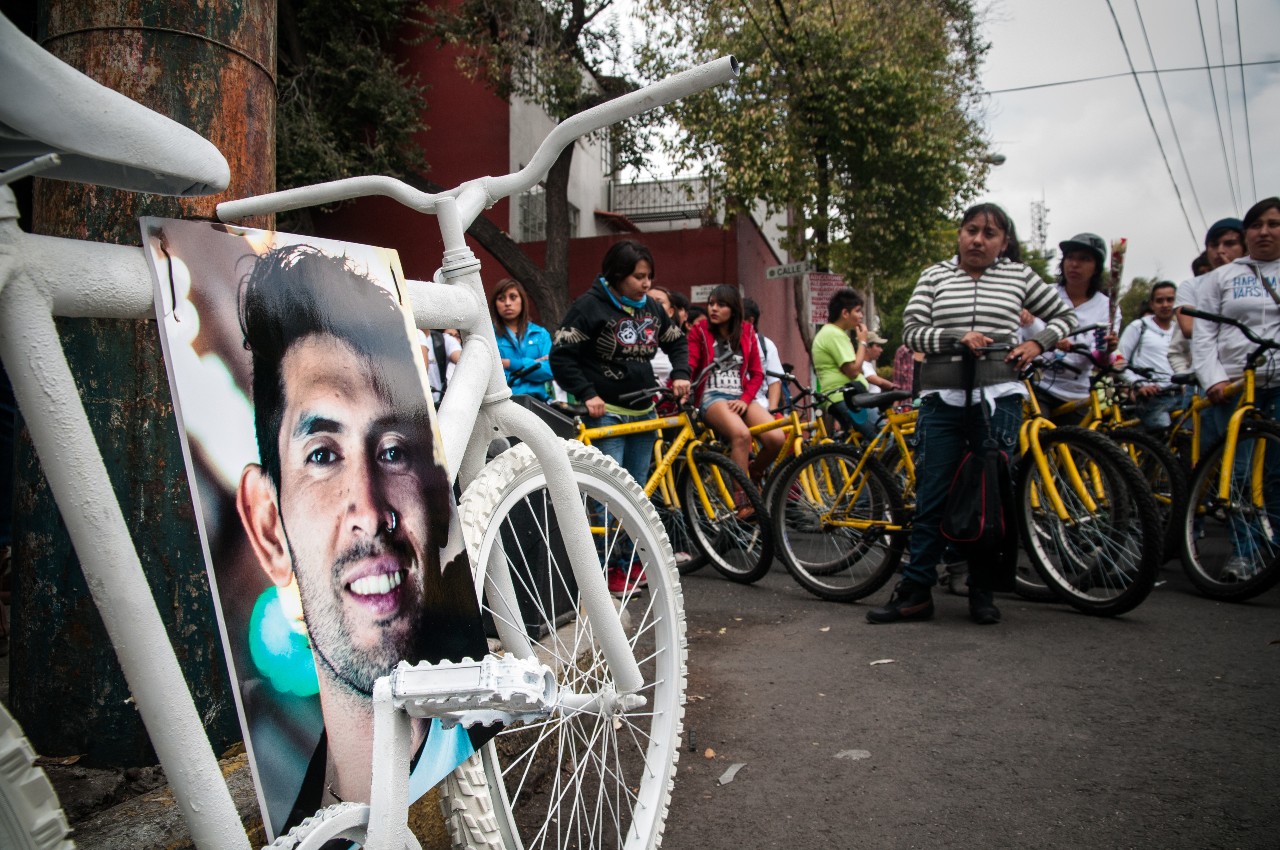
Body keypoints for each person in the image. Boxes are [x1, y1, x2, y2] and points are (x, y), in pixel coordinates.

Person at [234, 245, 481, 825]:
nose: (370, 513)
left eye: (393, 451)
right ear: (269, 528)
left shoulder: (466, 735)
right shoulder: (293, 808)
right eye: (322, 455)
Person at [867, 202, 1076, 626]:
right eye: (971, 230)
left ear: (1004, 243)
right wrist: (954, 337)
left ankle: (983, 592)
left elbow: (1065, 316)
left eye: (990, 233)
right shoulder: (935, 276)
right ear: (960, 234)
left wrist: (1038, 344)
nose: (978, 240)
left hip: (1000, 397)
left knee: (988, 495)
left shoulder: (1019, 277)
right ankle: (916, 591)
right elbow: (911, 332)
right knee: (932, 495)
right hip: (942, 397)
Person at [550, 241, 690, 593]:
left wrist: (681, 373)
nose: (646, 284)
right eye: (638, 277)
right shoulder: (589, 307)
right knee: (609, 495)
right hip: (608, 414)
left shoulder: (653, 309)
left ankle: (628, 565)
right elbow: (562, 354)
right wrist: (588, 393)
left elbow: (677, 341)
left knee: (637, 493)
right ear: (617, 275)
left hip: (644, 413)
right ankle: (605, 571)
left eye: (649, 277)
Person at [1190, 197, 1280, 580]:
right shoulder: (1221, 278)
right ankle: (1245, 553)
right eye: (1256, 224)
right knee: (1240, 474)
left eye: (1273, 224)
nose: (1264, 231)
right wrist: (1213, 379)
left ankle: (1274, 550)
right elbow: (1204, 333)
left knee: (1276, 474)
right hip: (1234, 387)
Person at [687, 285, 785, 482]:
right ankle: (741, 500)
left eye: (721, 305)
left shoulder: (747, 332)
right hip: (711, 396)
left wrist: (745, 399)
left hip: (741, 397)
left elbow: (757, 374)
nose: (713, 309)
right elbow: (689, 364)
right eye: (711, 304)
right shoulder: (700, 331)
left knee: (777, 438)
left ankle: (754, 472)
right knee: (741, 435)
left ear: (733, 310)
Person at [1025, 232, 1117, 421]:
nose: (1074, 264)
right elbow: (1026, 333)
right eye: (1070, 257)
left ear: (1096, 267)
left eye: (1084, 259)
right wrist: (1042, 331)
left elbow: (1099, 358)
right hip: (1041, 386)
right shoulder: (1045, 293)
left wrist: (1107, 350)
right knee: (1039, 440)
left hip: (1078, 393)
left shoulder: (1107, 307)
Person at [1116, 281, 1184, 430]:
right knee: (1161, 435)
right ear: (1152, 304)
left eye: (1170, 300)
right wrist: (1138, 384)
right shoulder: (1139, 327)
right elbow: (1118, 361)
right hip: (1152, 398)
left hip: (1180, 395)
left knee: (1187, 437)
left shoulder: (1181, 329)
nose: (1165, 305)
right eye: (1159, 301)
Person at [811, 287, 873, 437]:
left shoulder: (832, 333)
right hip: (845, 398)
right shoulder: (834, 334)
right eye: (857, 311)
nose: (861, 316)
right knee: (877, 438)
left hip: (847, 396)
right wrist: (863, 342)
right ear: (845, 313)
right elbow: (853, 371)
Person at [490, 278, 553, 401]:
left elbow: (549, 370)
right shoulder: (489, 335)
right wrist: (534, 363)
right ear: (495, 304)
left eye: (513, 297)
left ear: (522, 301)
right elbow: (491, 376)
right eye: (501, 299)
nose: (507, 303)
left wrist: (508, 363)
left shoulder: (540, 334)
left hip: (539, 402)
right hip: (504, 403)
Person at [743, 297, 785, 412]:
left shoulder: (765, 345)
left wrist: (772, 411)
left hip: (761, 406)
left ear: (750, 321)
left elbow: (774, 381)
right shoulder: (725, 343)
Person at [420, 327, 460, 407]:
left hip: (439, 403)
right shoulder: (406, 337)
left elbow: (464, 361)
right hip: (416, 403)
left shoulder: (445, 339)